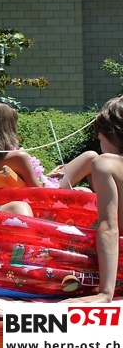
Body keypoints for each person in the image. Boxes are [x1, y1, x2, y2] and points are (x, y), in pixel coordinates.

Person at [61, 96, 123, 303]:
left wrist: (105, 293)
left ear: (110, 133)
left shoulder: (105, 164)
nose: (98, 140)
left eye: (99, 136)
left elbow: (109, 226)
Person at [0, 100, 97, 191]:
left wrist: (46, 176)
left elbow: (25, 183)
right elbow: (38, 192)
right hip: (48, 197)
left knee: (70, 169)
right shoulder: (18, 157)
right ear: (6, 128)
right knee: (91, 157)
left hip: (24, 196)